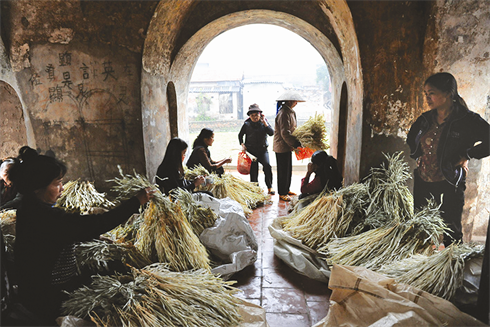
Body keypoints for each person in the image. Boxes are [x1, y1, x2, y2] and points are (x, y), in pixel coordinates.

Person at [8, 146, 153, 325]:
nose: (62, 188)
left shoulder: (30, 209)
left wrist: (94, 237)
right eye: (56, 183)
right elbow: (97, 223)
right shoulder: (44, 216)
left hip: (39, 288)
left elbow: (61, 234)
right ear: (37, 188)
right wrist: (135, 202)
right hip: (48, 296)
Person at [407, 72, 490, 245]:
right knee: (421, 229)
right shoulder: (425, 119)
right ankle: (423, 267)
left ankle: (451, 267)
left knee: (451, 231)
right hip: (423, 180)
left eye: (432, 93)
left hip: (449, 181)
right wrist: (417, 155)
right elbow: (411, 137)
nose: (428, 98)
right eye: (426, 94)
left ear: (448, 94)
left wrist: (467, 155)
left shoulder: (467, 120)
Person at [273, 91, 304, 201]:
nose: (296, 103)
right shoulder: (283, 113)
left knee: (288, 169)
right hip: (282, 146)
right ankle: (282, 192)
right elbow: (285, 133)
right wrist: (295, 143)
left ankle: (286, 189)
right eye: (295, 101)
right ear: (290, 101)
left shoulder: (290, 112)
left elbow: (293, 129)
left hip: (288, 146)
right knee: (282, 171)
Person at [238, 103, 275, 195]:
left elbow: (271, 133)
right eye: (252, 115)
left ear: (260, 115)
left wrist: (265, 123)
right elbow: (240, 135)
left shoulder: (264, 123)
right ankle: (254, 188)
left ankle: (270, 187)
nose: (255, 117)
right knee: (253, 170)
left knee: (267, 166)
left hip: (263, 150)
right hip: (251, 151)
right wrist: (242, 144)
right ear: (249, 116)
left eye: (256, 115)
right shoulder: (246, 124)